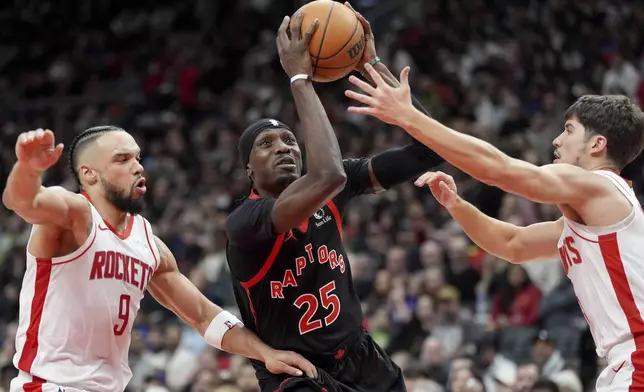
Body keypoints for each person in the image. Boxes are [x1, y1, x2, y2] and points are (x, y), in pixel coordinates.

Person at [344, 63, 644, 390]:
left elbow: (500, 170)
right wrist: (456, 205)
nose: (557, 140)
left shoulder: (597, 185)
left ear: (597, 144)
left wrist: (410, 118)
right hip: (624, 360)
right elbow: (512, 244)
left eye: (569, 130)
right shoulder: (591, 216)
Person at [224, 7, 444, 392]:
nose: (284, 148)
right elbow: (328, 175)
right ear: (248, 171)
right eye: (266, 144)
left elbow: (429, 151)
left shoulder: (333, 185)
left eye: (291, 140)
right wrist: (299, 80)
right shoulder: (246, 222)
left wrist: (371, 64)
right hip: (297, 374)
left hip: (360, 355)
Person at [1, 126, 317, 392]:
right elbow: (22, 200)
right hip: (49, 385)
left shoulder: (148, 243)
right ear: (89, 174)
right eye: (122, 159)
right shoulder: (73, 214)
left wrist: (265, 353)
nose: (138, 167)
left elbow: (203, 316)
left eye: (137, 157)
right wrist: (27, 169)